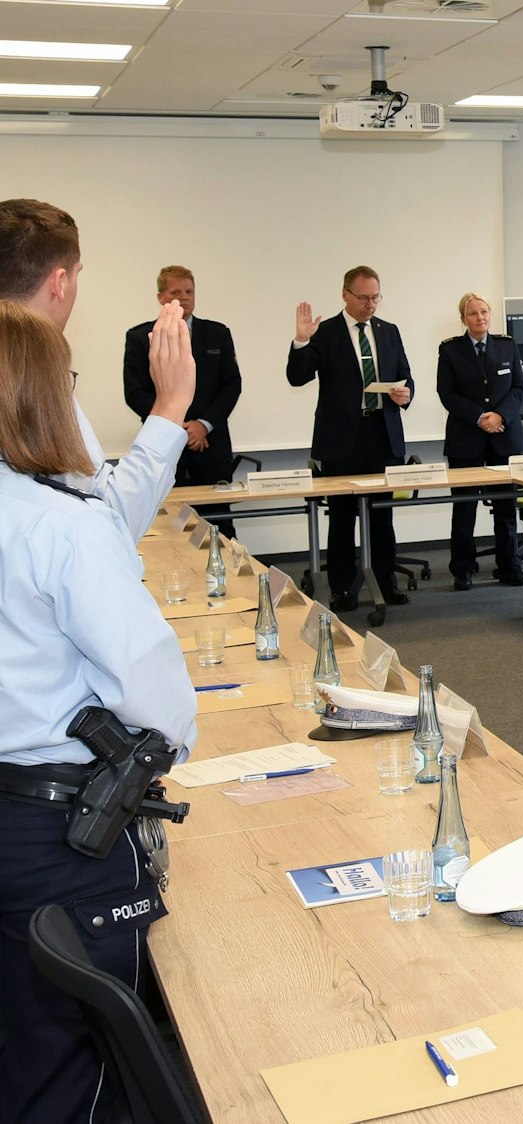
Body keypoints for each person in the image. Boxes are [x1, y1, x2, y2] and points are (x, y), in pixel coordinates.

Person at [0, 300, 199, 1124]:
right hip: (61, 837)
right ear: (47, 394)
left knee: (22, 1048)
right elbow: (150, 687)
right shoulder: (59, 525)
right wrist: (175, 746)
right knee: (80, 1068)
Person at [0, 198, 186, 544]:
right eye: (76, 274)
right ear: (59, 282)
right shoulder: (36, 384)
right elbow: (109, 522)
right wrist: (171, 404)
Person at [287, 265, 416, 610]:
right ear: (345, 294)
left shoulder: (388, 331)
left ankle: (386, 584)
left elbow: (405, 376)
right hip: (341, 438)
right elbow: (297, 378)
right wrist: (301, 340)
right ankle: (343, 589)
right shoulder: (326, 332)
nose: (370, 304)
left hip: (382, 433)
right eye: (363, 297)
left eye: (375, 297)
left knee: (381, 517)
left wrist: (406, 394)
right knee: (342, 517)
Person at [121, 265, 241, 536]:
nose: (184, 297)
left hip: (211, 447)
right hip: (163, 447)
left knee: (219, 527)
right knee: (168, 529)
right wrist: (175, 427)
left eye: (189, 291)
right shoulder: (141, 337)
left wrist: (203, 425)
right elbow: (135, 392)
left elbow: (231, 385)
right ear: (161, 297)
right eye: (176, 292)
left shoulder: (217, 334)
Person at [436, 292, 523, 590]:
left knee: (506, 506)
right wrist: (480, 417)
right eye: (474, 313)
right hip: (466, 438)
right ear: (464, 318)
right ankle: (463, 568)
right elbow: (447, 394)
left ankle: (509, 565)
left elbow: (519, 387)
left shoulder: (507, 346)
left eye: (485, 312)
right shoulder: (450, 351)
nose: (481, 318)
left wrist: (500, 416)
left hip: (504, 436)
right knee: (464, 508)